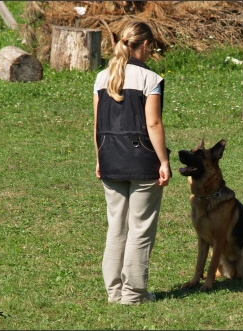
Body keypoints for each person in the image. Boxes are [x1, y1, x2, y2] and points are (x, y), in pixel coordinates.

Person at [93, 20, 171, 305]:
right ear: (146, 45)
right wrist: (163, 160)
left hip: (110, 158)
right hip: (142, 162)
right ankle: (134, 294)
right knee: (139, 229)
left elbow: (97, 126)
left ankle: (114, 293)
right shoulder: (151, 79)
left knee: (116, 228)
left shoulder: (102, 78)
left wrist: (100, 158)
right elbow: (153, 122)